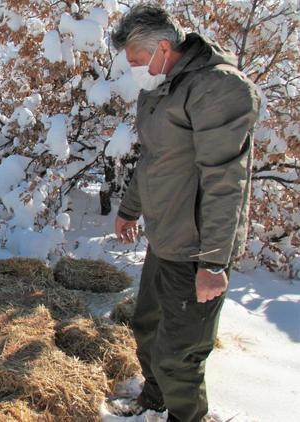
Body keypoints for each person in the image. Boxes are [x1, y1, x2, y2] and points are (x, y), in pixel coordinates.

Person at [110, 5, 260, 421]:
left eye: (137, 61)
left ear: (162, 48)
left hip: (197, 247)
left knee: (180, 356)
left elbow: (225, 181)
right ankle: (155, 399)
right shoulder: (162, 86)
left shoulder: (217, 89)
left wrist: (213, 261)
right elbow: (154, 158)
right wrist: (129, 209)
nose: (135, 71)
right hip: (166, 236)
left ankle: (186, 416)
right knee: (148, 328)